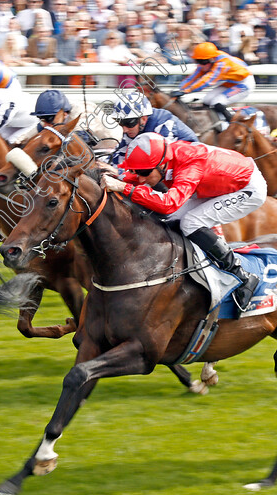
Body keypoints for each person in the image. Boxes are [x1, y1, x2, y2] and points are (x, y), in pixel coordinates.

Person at [101, 133, 267, 314]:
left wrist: (124, 187)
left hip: (247, 188)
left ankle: (242, 275)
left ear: (162, 164)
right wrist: (122, 177)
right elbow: (147, 179)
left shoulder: (190, 165)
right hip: (215, 185)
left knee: (191, 222)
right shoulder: (165, 158)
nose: (140, 178)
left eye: (144, 173)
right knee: (173, 218)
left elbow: (168, 203)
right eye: (136, 172)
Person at [170, 42, 256, 123]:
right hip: (231, 83)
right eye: (198, 61)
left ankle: (232, 123)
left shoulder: (221, 64)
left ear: (212, 59)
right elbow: (192, 77)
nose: (200, 65)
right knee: (207, 99)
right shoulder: (208, 61)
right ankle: (210, 122)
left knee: (217, 102)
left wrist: (186, 91)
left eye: (203, 62)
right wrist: (180, 89)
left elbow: (207, 81)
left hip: (244, 83)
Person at [108, 91, 198, 167]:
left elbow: (157, 164)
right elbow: (120, 155)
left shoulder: (164, 124)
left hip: (192, 163)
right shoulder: (133, 128)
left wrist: (120, 172)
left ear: (143, 119)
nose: (125, 130)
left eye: (128, 123)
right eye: (120, 123)